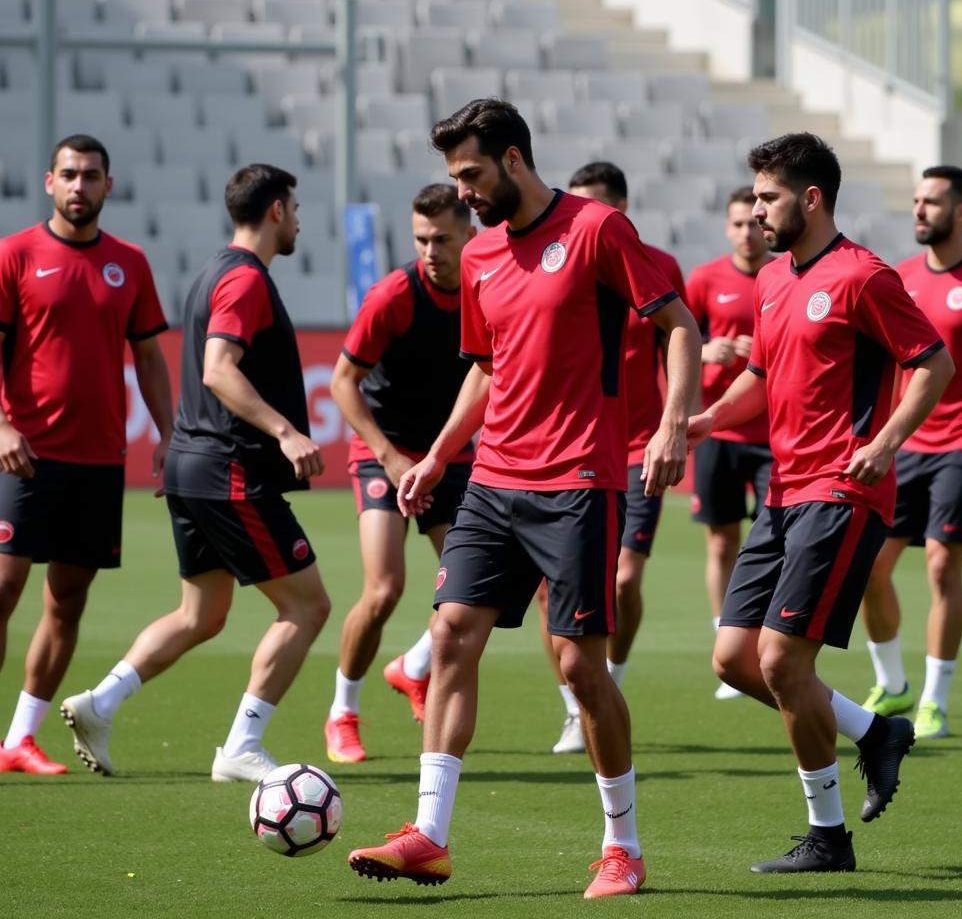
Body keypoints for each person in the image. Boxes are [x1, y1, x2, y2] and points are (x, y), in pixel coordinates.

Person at [347, 100, 702, 898]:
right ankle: (428, 836)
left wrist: (672, 423)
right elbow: (486, 367)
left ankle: (624, 848)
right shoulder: (478, 258)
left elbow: (680, 326)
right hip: (495, 477)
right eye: (452, 178)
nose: (462, 191)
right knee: (450, 638)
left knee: (579, 665)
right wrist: (438, 456)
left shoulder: (598, 231)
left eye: (470, 174)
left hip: (579, 479)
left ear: (513, 160)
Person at [689, 133, 954, 873]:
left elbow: (935, 362)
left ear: (810, 198)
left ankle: (828, 837)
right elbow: (766, 379)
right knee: (734, 657)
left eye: (769, 197)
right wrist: (708, 418)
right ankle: (874, 731)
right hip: (782, 492)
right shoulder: (774, 280)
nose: (756, 210)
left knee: (779, 662)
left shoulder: (864, 276)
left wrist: (889, 440)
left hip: (843, 489)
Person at [60, 164, 331, 782]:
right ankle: (242, 744)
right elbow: (217, 369)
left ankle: (99, 705)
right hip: (229, 470)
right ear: (275, 212)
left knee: (201, 615)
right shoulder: (245, 280)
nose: (299, 220)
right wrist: (286, 431)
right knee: (308, 607)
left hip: (193, 466)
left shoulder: (214, 271)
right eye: (295, 208)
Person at [0, 135, 172, 776]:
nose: (79, 186)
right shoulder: (15, 255)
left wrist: (167, 432)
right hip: (25, 454)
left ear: (108, 185)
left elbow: (150, 357)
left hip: (98, 460)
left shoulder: (129, 262)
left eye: (91, 176)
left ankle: (20, 737)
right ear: (49, 182)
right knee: (3, 588)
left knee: (66, 600)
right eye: (69, 175)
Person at [859, 166, 962, 739]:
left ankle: (935, 699)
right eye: (915, 201)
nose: (919, 211)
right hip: (903, 443)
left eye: (932, 202)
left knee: (939, 564)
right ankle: (892, 681)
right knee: (870, 567)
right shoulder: (898, 279)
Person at [536, 161, 688, 755]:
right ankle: (575, 708)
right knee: (553, 593)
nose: (580, 220)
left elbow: (678, 337)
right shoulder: (557, 264)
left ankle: (607, 688)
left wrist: (674, 424)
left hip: (636, 444)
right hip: (567, 449)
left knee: (622, 578)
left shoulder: (656, 266)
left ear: (620, 207)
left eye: (593, 206)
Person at [325, 183, 476, 764]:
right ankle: (343, 711)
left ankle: (412, 667)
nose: (430, 250)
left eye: (441, 238)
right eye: (420, 239)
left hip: (449, 457)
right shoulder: (393, 295)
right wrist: (388, 455)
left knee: (474, 590)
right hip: (384, 454)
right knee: (384, 589)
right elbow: (342, 382)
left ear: (468, 233)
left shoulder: (484, 286)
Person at [686, 186, 773, 700]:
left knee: (772, 541)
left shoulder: (783, 276)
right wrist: (707, 350)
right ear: (727, 227)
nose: (747, 232)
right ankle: (726, 638)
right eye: (737, 223)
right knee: (721, 540)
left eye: (753, 222)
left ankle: (758, 641)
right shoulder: (705, 279)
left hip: (771, 434)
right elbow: (677, 345)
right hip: (720, 430)